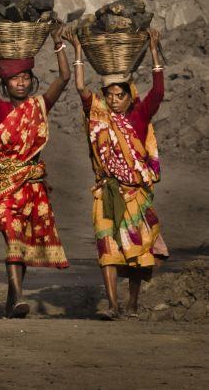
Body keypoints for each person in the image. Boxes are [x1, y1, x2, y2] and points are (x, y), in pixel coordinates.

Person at [63, 27, 168, 320]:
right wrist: (79, 52)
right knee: (106, 246)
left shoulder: (139, 117)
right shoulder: (98, 115)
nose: (113, 101)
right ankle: (112, 304)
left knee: (137, 251)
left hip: (135, 193)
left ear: (129, 96)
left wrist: (154, 50)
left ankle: (132, 305)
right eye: (109, 95)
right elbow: (81, 90)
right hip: (106, 192)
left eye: (119, 95)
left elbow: (158, 92)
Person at [0, 23, 70, 318]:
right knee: (14, 237)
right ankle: (18, 298)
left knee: (19, 244)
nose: (21, 82)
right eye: (15, 78)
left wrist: (58, 43)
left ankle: (12, 301)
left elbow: (64, 77)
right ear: (6, 83)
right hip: (1, 184)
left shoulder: (40, 106)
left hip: (30, 185)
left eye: (26, 77)